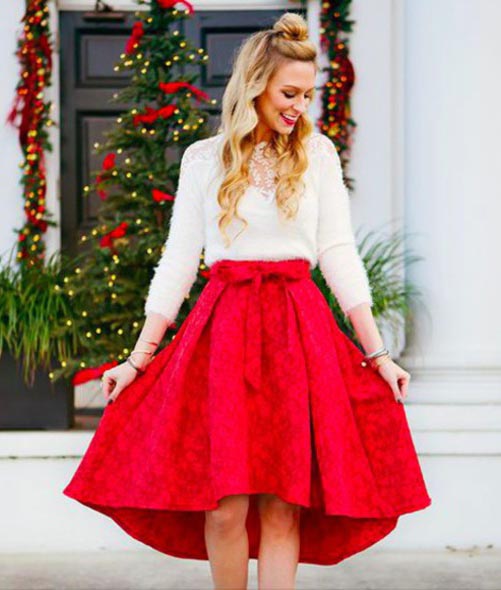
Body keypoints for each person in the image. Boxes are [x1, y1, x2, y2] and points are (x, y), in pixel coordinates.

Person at [63, 11, 432, 590]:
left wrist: (378, 354)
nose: (299, 107)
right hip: (223, 331)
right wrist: (137, 359)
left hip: (298, 331)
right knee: (223, 507)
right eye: (289, 93)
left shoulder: (319, 155)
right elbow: (178, 260)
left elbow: (338, 253)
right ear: (256, 85)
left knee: (284, 504)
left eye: (307, 95)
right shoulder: (203, 160)